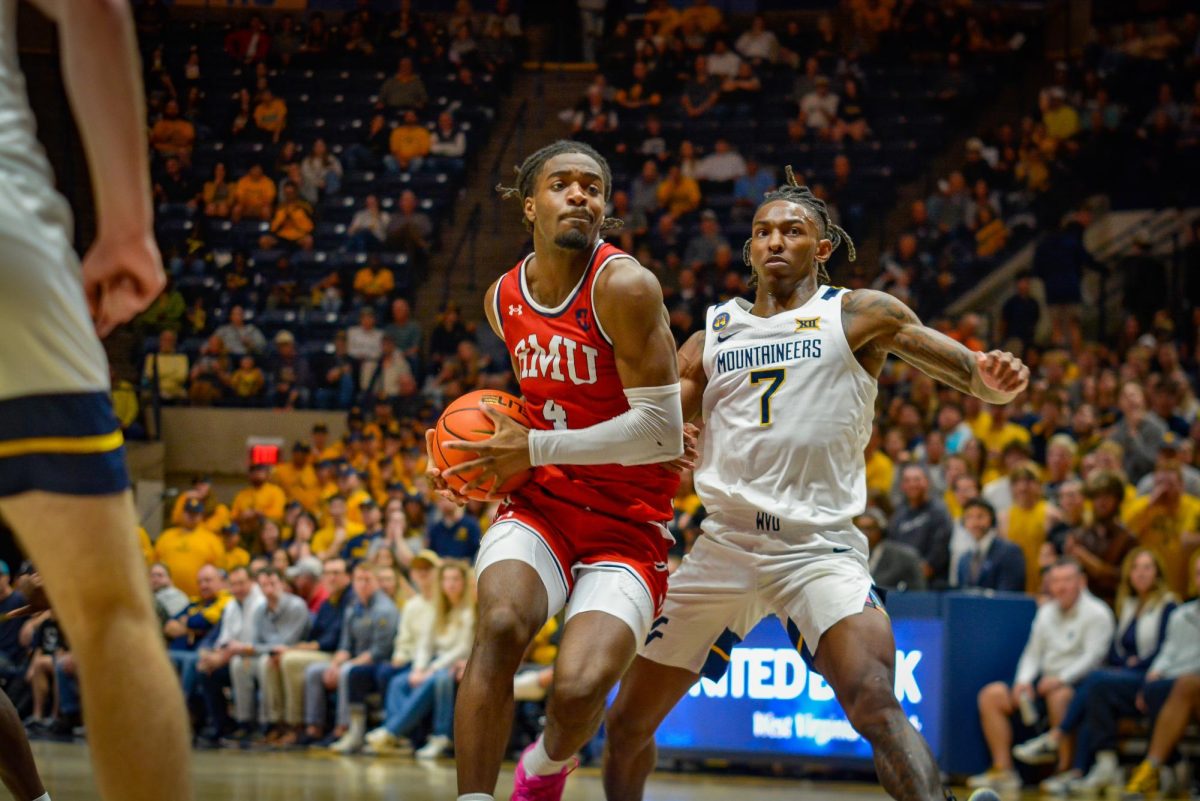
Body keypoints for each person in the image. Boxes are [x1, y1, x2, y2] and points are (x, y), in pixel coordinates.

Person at [602, 165, 1029, 801]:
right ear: (749, 247)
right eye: (762, 231)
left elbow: (966, 371)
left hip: (817, 546)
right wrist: (671, 437)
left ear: (821, 248)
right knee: (627, 721)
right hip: (725, 545)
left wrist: (986, 376)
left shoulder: (856, 314)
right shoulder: (711, 334)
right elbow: (655, 427)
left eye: (792, 230)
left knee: (874, 702)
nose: (775, 241)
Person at [427, 140, 685, 800]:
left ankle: (547, 762)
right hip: (544, 505)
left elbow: (661, 433)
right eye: (562, 184)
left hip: (629, 522)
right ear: (528, 205)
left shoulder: (624, 286)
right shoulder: (502, 298)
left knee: (577, 689)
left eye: (593, 187)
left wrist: (533, 450)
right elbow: (533, 411)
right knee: (502, 624)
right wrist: (471, 462)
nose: (580, 195)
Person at [1012, 548, 1177, 793]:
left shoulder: (1168, 605)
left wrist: (1137, 665)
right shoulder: (1129, 605)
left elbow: (1166, 647)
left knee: (1093, 682)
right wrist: (1023, 680)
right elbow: (1116, 650)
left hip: (1154, 676)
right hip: (1125, 676)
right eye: (1135, 568)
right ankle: (1100, 765)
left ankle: (1061, 746)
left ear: (1158, 573)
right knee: (1096, 688)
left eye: (1147, 568)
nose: (1140, 574)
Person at [971, 559, 1115, 792]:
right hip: (1043, 681)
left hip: (1078, 685)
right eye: (1055, 581)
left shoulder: (1098, 613)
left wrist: (1061, 679)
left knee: (1059, 695)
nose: (1060, 587)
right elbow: (1032, 653)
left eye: (1067, 581)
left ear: (1081, 582)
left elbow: (1093, 658)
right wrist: (1023, 682)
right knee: (991, 695)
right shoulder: (1046, 612)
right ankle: (1004, 769)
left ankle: (1064, 770)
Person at [957, 498, 1026, 591]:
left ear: (992, 519)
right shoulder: (964, 559)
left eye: (980, 516)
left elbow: (1009, 594)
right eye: (969, 517)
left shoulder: (1009, 552)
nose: (975, 522)